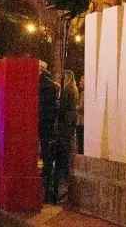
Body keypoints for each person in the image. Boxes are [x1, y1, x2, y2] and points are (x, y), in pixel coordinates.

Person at [45, 70, 80, 204]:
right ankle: (59, 194)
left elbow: (61, 113)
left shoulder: (66, 92)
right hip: (68, 133)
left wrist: (57, 107)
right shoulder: (74, 92)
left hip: (61, 133)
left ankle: (53, 194)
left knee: (56, 163)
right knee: (63, 163)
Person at [38, 63, 60, 165]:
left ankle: (47, 168)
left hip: (43, 118)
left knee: (44, 143)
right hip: (47, 118)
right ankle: (47, 166)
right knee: (45, 143)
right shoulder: (50, 84)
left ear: (40, 70)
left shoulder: (42, 84)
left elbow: (42, 103)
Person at [76, 74, 85, 155]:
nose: (80, 82)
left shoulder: (83, 93)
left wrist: (73, 106)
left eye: (82, 80)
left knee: (80, 143)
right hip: (84, 121)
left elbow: (81, 108)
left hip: (81, 121)